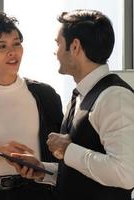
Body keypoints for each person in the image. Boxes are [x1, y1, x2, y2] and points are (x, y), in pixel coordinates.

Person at [10, 9, 134, 200]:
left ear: (74, 47)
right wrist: (45, 171)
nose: (55, 51)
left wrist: (68, 150)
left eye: (58, 43)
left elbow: (125, 174)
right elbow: (83, 172)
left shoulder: (114, 97)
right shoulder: (79, 97)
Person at [0, 12, 63, 200]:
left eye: (16, 43)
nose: (12, 52)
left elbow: (62, 157)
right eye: (1, 46)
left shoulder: (45, 95)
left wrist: (38, 166)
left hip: (39, 193)